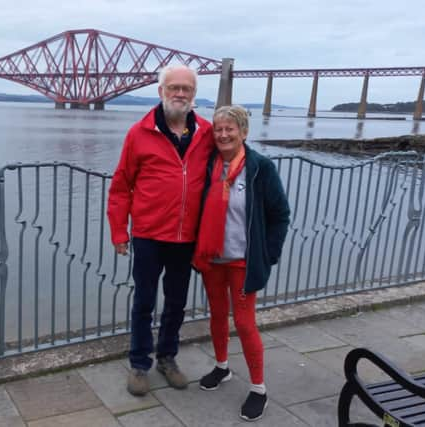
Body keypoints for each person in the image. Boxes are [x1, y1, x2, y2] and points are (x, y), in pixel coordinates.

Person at [107, 64, 213, 396]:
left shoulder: (207, 133)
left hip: (186, 237)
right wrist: (118, 232)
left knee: (176, 303)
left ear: (194, 95)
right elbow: (121, 186)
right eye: (174, 88)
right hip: (149, 234)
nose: (180, 94)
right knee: (144, 301)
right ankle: (140, 364)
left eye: (187, 89)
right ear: (161, 92)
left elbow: (232, 164)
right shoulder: (139, 133)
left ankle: (167, 358)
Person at [192, 105, 290, 421]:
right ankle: (222, 368)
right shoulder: (207, 165)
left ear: (244, 132)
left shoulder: (260, 168)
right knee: (218, 315)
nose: (223, 134)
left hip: (243, 262)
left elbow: (280, 215)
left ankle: (259, 388)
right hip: (213, 258)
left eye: (230, 129)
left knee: (245, 323)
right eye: (218, 129)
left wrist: (269, 255)